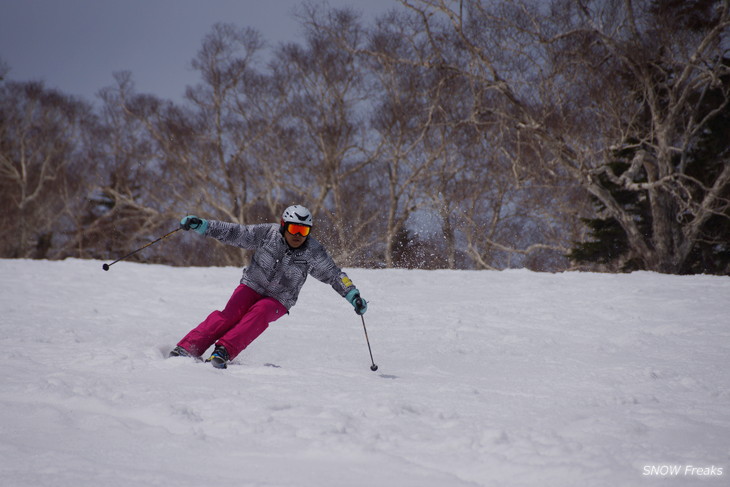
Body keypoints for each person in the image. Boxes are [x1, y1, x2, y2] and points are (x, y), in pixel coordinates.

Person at [168, 205, 368, 369]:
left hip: (280, 298)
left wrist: (352, 294)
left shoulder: (313, 251)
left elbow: (333, 274)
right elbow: (237, 232)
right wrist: (203, 226)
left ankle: (223, 351)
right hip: (252, 284)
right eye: (294, 229)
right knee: (230, 315)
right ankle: (188, 347)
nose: (298, 235)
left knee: (259, 314)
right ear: (283, 226)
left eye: (304, 230)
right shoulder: (268, 234)